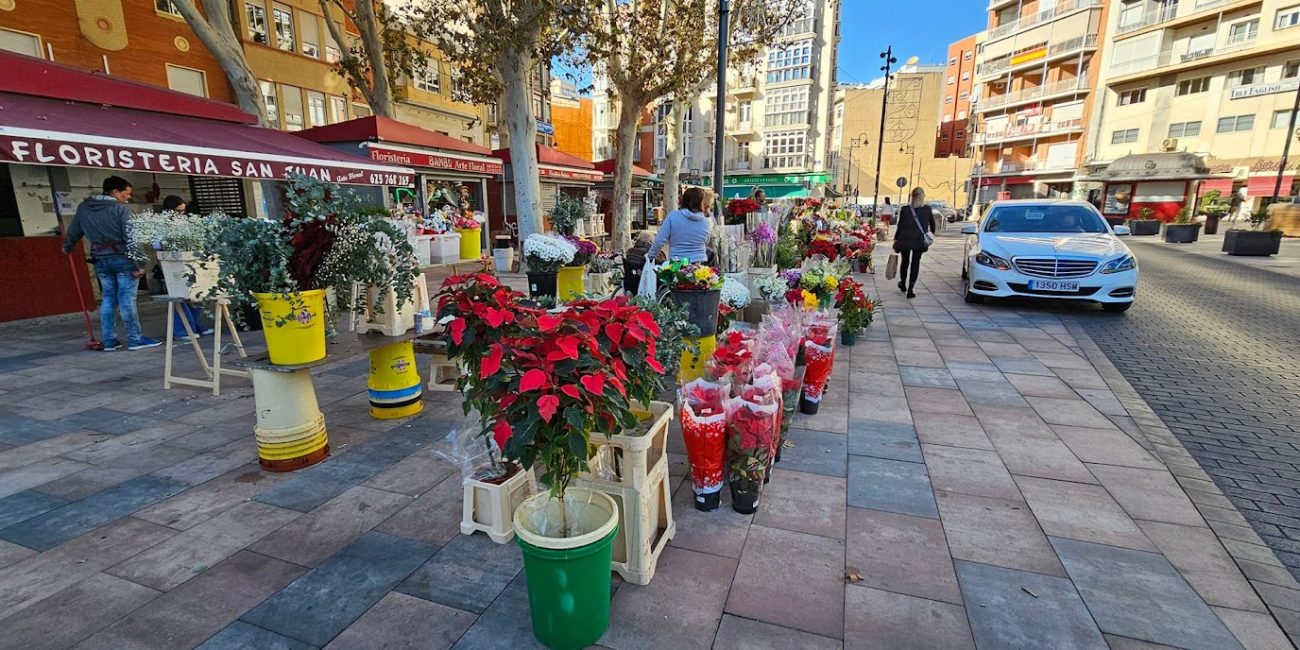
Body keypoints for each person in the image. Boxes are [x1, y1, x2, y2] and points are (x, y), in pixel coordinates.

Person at [62, 177, 161, 351]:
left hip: (100, 259)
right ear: (115, 191)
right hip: (123, 259)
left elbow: (74, 231)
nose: (128, 197)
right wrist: (140, 263)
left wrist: (67, 247)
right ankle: (135, 339)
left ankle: (109, 341)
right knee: (127, 300)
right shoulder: (121, 209)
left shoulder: (84, 208)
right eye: (126, 193)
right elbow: (132, 238)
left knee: (108, 299)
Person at [161, 195, 213, 341]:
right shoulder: (162, 225)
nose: (181, 214)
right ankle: (182, 329)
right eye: (178, 211)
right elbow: (158, 245)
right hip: (173, 263)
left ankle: (195, 325)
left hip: (190, 260)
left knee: (196, 294)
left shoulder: (185, 222)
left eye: (183, 211)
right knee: (181, 296)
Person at [647, 186, 712, 263]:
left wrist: (650, 256)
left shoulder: (673, 216)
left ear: (684, 200)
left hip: (678, 264)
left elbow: (660, 240)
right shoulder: (706, 221)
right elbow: (706, 241)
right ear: (701, 202)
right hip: (700, 264)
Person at [892, 187, 937, 300]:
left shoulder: (905, 210)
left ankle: (903, 283)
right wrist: (930, 235)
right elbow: (932, 225)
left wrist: (896, 239)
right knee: (915, 263)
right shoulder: (927, 209)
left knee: (905, 261)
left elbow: (900, 226)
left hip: (905, 240)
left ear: (912, 197)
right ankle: (911, 289)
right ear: (922, 197)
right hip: (919, 241)